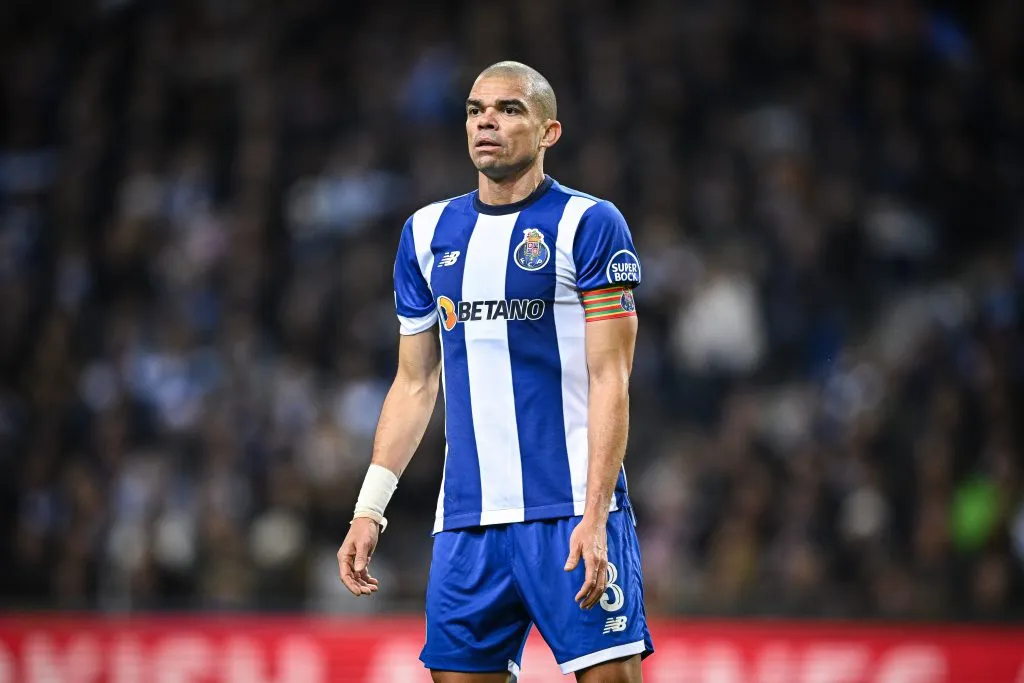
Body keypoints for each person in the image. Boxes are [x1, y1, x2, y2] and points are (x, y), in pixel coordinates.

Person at [337, 60, 654, 683]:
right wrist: (369, 509)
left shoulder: (588, 225)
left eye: (510, 109)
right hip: (467, 521)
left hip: (568, 512)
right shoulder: (426, 233)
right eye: (476, 109)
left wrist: (596, 516)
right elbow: (414, 383)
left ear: (548, 132)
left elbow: (610, 378)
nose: (487, 120)